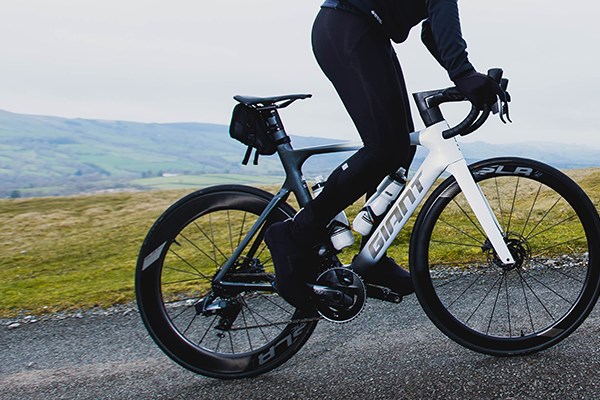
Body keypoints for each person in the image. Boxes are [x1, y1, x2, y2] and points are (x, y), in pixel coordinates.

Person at [265, 0, 504, 309]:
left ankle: (373, 257)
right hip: (349, 25)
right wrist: (464, 74)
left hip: (366, 31)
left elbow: (432, 30)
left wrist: (465, 77)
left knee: (399, 150)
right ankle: (295, 234)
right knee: (384, 149)